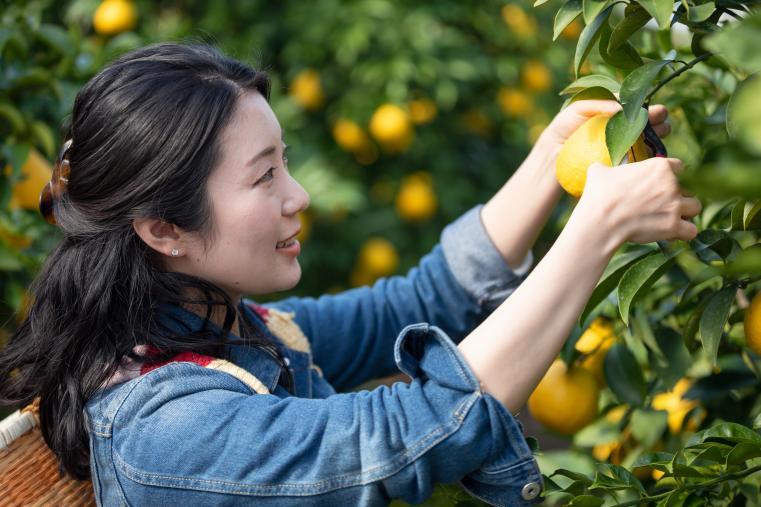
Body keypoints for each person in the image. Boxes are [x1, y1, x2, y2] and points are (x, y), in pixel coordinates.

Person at [0, 43, 700, 506]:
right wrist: (594, 232)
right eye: (264, 174)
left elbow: (419, 301)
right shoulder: (172, 427)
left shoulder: (224, 331)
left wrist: (554, 156)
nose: (297, 194)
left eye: (285, 160)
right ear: (162, 228)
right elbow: (412, 434)